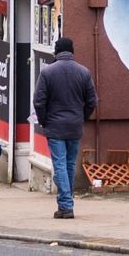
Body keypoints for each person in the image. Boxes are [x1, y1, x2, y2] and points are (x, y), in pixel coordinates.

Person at [32, 37, 97, 218]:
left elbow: (38, 101)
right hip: (74, 125)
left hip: (55, 125)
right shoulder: (84, 72)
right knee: (69, 164)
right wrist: (82, 117)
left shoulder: (47, 73)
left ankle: (66, 205)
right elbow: (92, 101)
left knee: (59, 165)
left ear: (56, 51)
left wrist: (44, 120)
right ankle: (65, 203)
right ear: (72, 51)